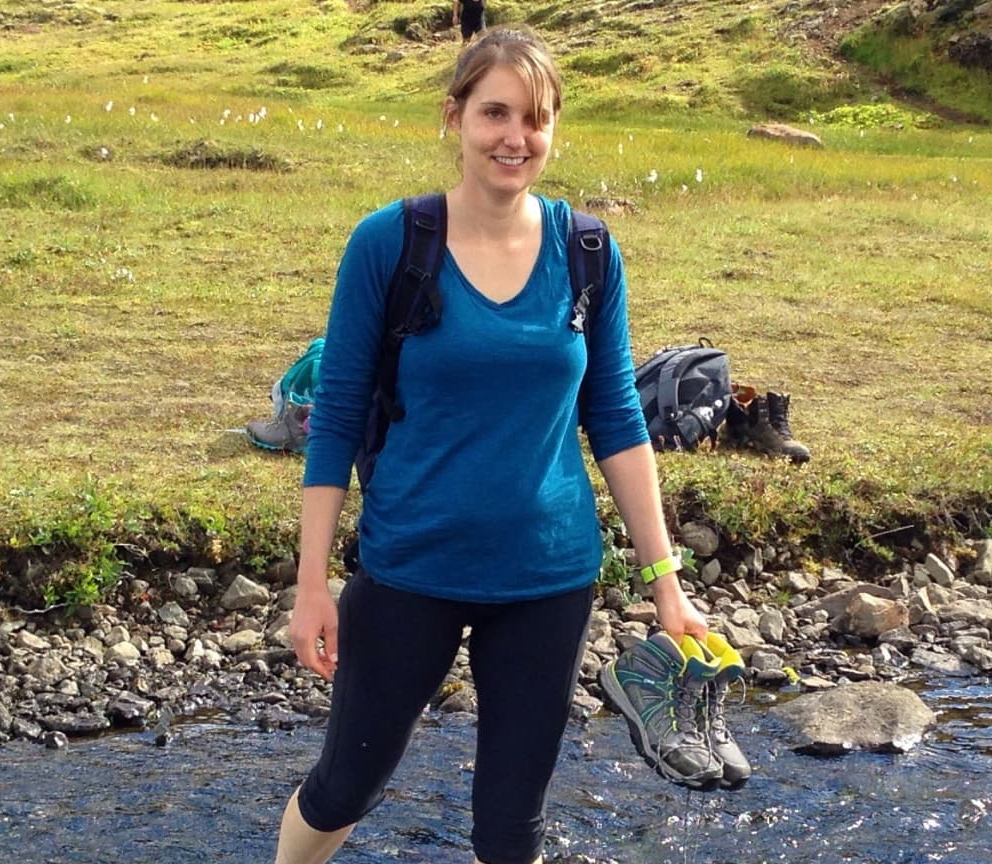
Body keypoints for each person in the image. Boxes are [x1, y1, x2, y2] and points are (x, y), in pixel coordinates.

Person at [273, 27, 708, 864]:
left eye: (536, 119)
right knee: (342, 791)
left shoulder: (587, 251)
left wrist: (667, 587)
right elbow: (333, 420)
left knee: (512, 831)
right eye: (496, 113)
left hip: (548, 579)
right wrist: (312, 584)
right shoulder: (390, 245)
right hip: (409, 571)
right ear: (456, 117)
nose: (517, 138)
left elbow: (616, 417)